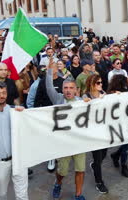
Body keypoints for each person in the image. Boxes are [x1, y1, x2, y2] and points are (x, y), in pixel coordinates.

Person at [46, 60, 87, 200]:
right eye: (66, 88)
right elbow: (49, 87)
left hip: (79, 142)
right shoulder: (57, 99)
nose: (68, 90)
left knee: (80, 169)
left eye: (71, 88)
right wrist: (49, 71)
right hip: (63, 143)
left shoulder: (82, 101)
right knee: (62, 171)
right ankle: (58, 183)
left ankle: (78, 194)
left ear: (76, 90)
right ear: (62, 89)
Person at [83, 74, 109, 194]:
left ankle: (94, 165)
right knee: (98, 158)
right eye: (98, 83)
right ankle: (99, 182)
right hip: (93, 132)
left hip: (104, 129)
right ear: (92, 84)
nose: (101, 85)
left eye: (101, 82)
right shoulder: (86, 96)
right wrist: (88, 102)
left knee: (104, 152)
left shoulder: (103, 93)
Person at [108, 75, 128, 178]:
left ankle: (116, 155)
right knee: (127, 144)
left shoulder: (124, 90)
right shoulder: (112, 93)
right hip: (119, 122)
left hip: (126, 120)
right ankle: (124, 166)